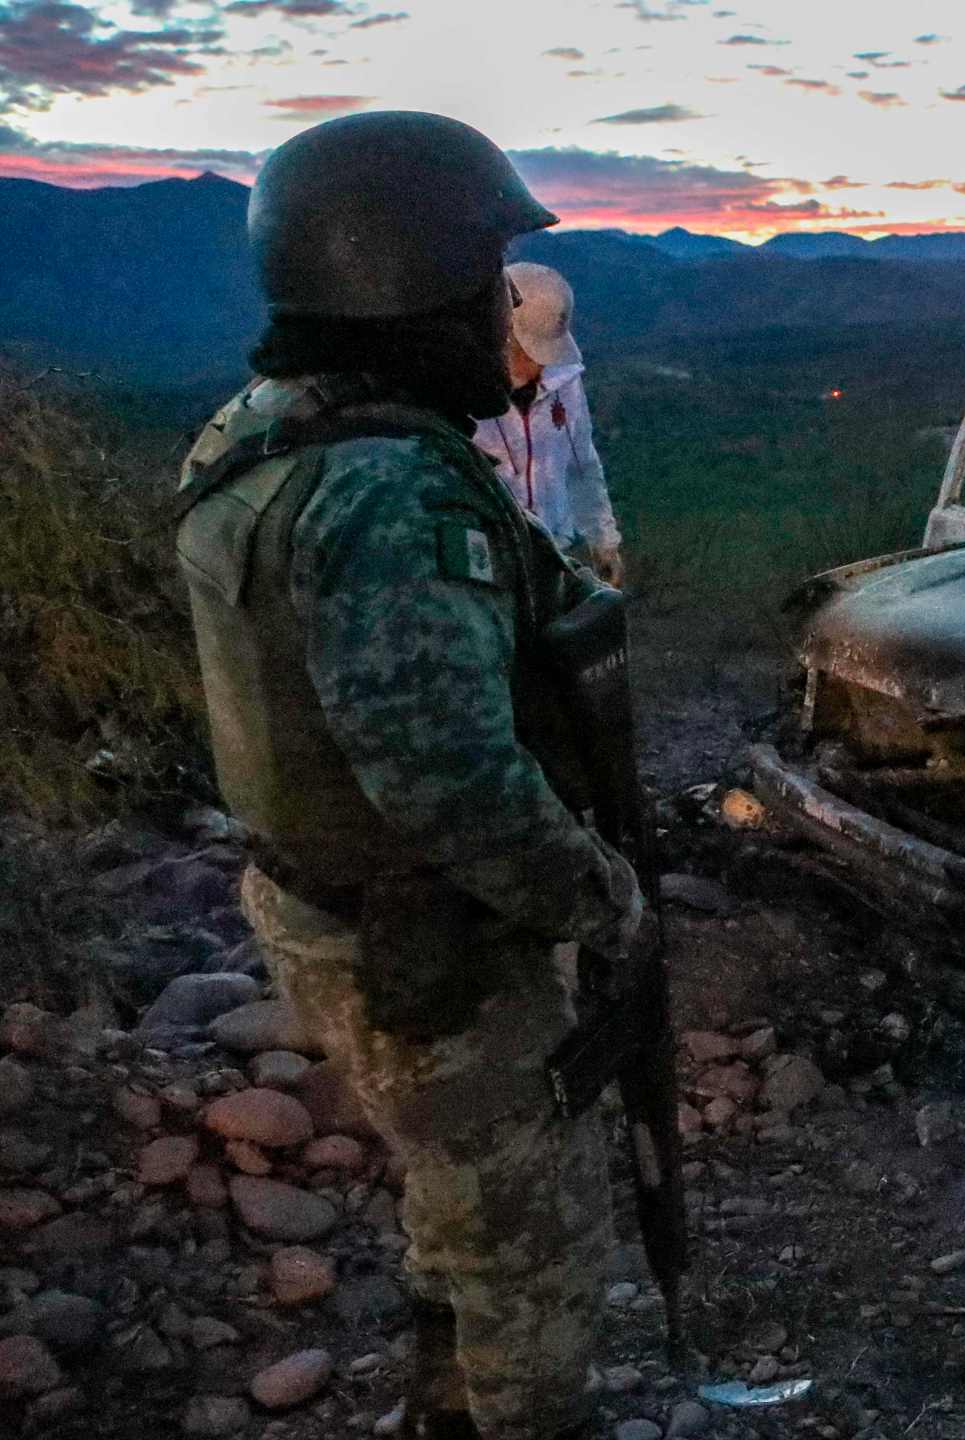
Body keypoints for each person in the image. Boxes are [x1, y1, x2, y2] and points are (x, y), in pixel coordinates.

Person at [172, 112, 645, 1440]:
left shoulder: (267, 430)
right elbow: (453, 789)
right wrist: (604, 899)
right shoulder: (388, 496)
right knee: (531, 1253)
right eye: (486, 279)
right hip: (419, 936)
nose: (503, 310)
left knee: (460, 1197)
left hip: (333, 909)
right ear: (407, 282)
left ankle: (444, 1410)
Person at [475, 261, 624, 586]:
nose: (541, 363)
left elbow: (582, 463)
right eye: (531, 353)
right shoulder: (463, 392)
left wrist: (604, 541)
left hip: (554, 551)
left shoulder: (565, 380)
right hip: (489, 555)